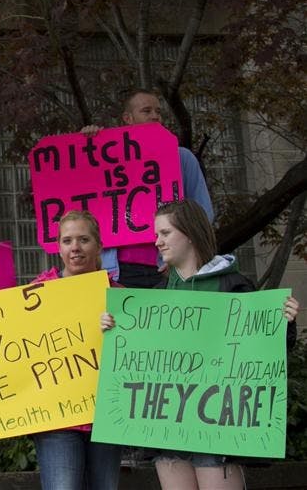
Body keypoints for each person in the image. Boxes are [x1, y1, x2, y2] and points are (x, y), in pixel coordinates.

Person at [101, 199, 300, 490]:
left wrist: (285, 322)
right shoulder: (153, 298)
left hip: (218, 425)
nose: (157, 242)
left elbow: (266, 353)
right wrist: (113, 328)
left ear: (191, 234)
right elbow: (134, 360)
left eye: (165, 233)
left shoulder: (233, 287)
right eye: (156, 234)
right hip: (167, 427)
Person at [84, 89, 214, 288]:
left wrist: (184, 257)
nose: (155, 116)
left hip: (167, 267)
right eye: (146, 111)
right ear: (128, 118)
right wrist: (86, 145)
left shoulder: (182, 158)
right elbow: (83, 210)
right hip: (117, 272)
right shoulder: (106, 159)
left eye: (158, 111)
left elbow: (203, 215)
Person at [31, 211, 122, 490]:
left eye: (84, 239)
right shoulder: (36, 294)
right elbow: (11, 352)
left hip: (105, 418)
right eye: (67, 240)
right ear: (58, 248)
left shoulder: (120, 297)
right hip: (57, 420)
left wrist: (119, 331)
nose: (75, 248)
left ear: (99, 246)